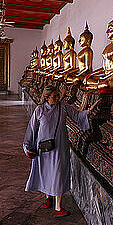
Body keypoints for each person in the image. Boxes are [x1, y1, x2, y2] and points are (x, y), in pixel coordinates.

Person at [23, 85, 100, 217]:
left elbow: (77, 115)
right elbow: (32, 129)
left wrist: (89, 111)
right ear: (47, 98)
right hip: (43, 147)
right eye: (54, 96)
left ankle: (58, 208)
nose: (58, 98)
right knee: (46, 172)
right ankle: (48, 197)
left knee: (58, 173)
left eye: (58, 95)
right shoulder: (39, 110)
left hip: (59, 147)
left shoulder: (63, 107)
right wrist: (27, 147)